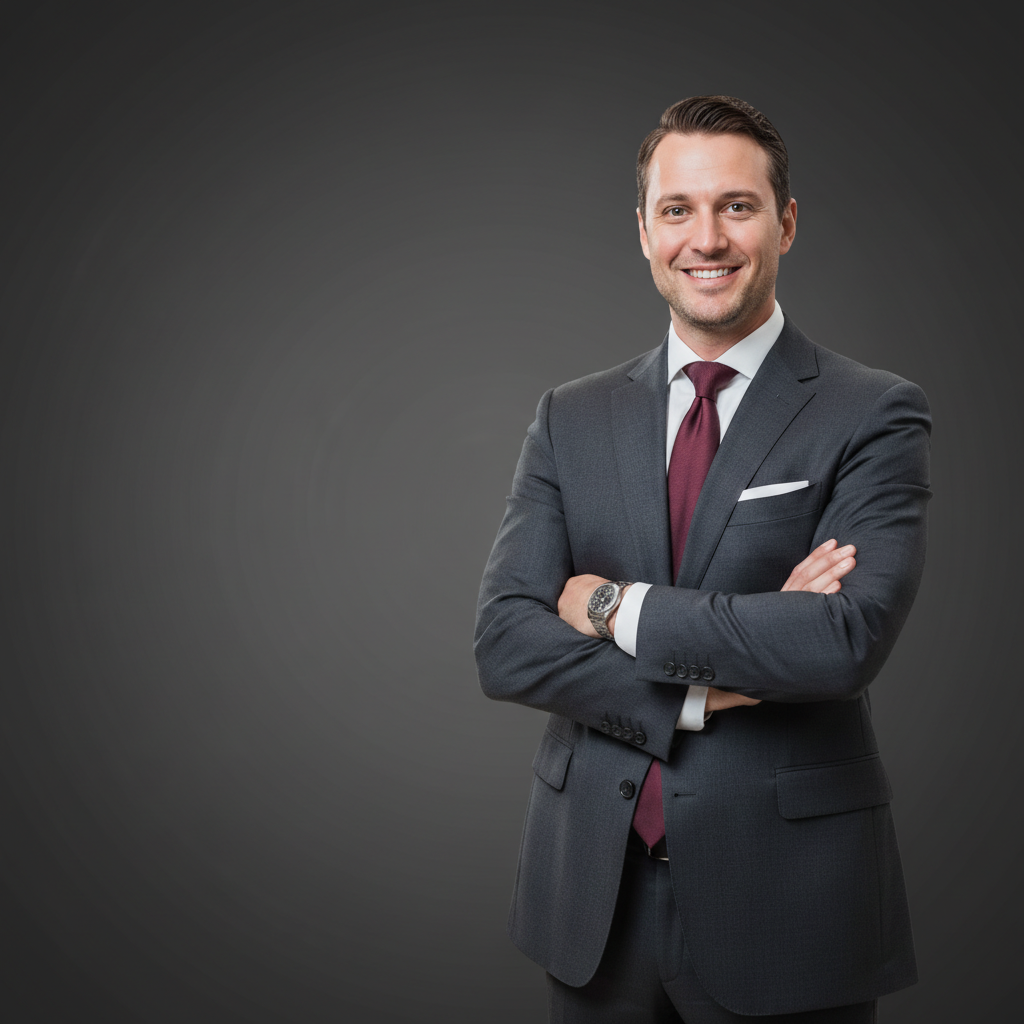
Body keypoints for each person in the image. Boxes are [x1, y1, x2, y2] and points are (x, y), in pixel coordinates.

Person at [474, 95, 930, 1023]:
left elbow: (840, 641)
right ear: (644, 232)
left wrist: (611, 608)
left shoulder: (872, 411)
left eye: (738, 205)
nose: (707, 238)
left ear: (786, 223)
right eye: (678, 210)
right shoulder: (572, 415)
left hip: (791, 902)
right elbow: (505, 641)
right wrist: (693, 691)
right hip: (592, 897)